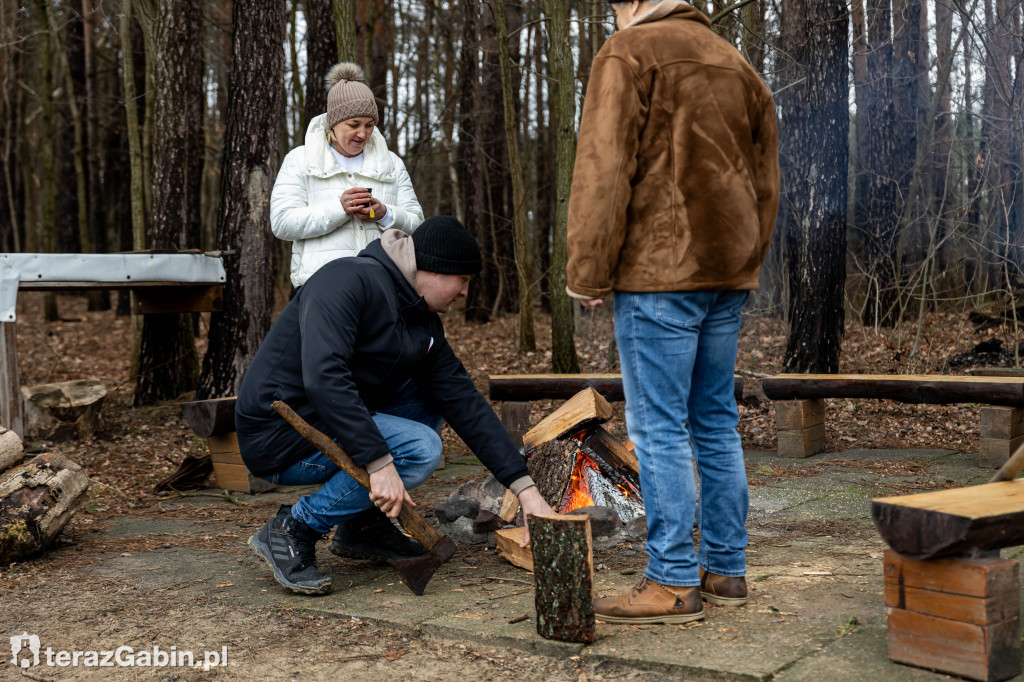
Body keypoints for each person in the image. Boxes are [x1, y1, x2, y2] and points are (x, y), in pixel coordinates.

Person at [565, 0, 780, 624]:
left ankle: (673, 580)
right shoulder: (737, 63)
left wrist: (589, 270)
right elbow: (765, 181)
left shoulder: (627, 53)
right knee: (714, 421)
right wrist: (745, 261)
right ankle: (726, 570)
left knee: (659, 429)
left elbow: (604, 170)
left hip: (659, 272)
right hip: (725, 272)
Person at [236, 216, 554, 595]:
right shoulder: (345, 280)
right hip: (280, 435)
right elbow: (324, 376)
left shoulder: (422, 324)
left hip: (327, 420)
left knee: (436, 399)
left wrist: (526, 491)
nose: (465, 293)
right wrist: (380, 462)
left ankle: (361, 524)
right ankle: (295, 527)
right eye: (464, 281)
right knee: (420, 449)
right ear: (435, 270)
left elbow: (464, 403)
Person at [271, 62, 424, 288]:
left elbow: (418, 225)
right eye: (354, 124)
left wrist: (384, 214)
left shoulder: (391, 163)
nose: (363, 134)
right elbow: (282, 224)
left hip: (383, 287)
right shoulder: (300, 160)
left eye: (370, 125)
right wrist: (339, 209)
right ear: (334, 122)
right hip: (321, 287)